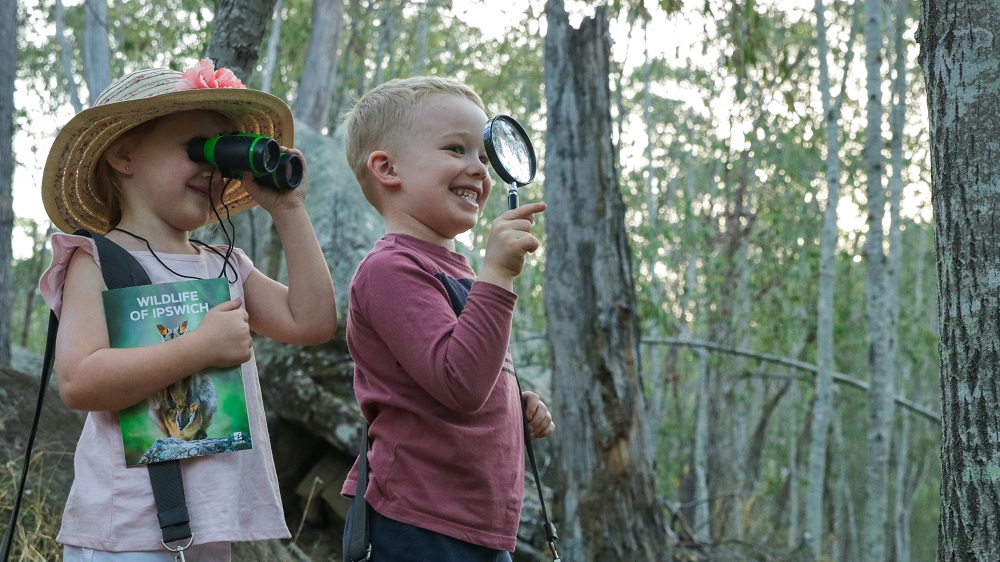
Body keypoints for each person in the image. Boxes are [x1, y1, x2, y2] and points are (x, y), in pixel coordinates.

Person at [37, 59, 337, 561]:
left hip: (210, 529)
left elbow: (311, 323)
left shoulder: (225, 266)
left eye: (221, 156)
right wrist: (199, 347)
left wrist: (288, 210)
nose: (212, 168)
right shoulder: (95, 260)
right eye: (195, 148)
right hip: (123, 533)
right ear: (124, 155)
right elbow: (79, 381)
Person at [339, 76, 556, 561]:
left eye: (483, 156)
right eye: (456, 149)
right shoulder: (390, 269)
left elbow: (469, 368)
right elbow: (458, 383)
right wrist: (498, 272)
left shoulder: (458, 270)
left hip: (477, 524)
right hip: (416, 521)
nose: (478, 170)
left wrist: (513, 402)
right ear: (387, 167)